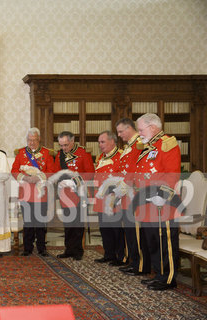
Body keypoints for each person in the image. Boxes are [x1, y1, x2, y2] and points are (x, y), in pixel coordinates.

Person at [133, 113, 181, 291]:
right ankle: (159, 274)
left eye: (141, 129)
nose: (139, 133)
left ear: (152, 127)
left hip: (162, 201)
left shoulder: (167, 144)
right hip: (147, 201)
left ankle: (168, 279)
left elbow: (172, 173)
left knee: (164, 240)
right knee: (153, 240)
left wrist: (163, 196)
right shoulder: (148, 146)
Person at [114, 118, 150, 276]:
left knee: (135, 232)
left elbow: (135, 170)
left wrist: (121, 188)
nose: (120, 135)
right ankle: (133, 261)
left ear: (129, 128)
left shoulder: (138, 145)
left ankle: (140, 265)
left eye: (121, 131)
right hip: (126, 195)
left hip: (134, 194)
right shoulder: (129, 146)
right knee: (129, 231)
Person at [11, 128, 55, 256]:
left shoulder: (46, 153)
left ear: (39, 139)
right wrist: (24, 177)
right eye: (29, 140)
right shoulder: (21, 153)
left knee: (41, 222)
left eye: (34, 140)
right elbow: (14, 170)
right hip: (26, 192)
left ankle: (42, 248)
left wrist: (38, 177)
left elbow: (52, 171)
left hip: (41, 193)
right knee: (28, 222)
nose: (31, 143)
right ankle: (27, 248)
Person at [53, 131, 95, 260]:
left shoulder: (83, 153)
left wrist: (74, 181)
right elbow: (55, 172)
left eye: (66, 145)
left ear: (72, 141)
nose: (63, 148)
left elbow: (90, 173)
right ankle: (69, 249)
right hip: (65, 194)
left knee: (78, 223)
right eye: (61, 145)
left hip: (79, 193)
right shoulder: (60, 155)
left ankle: (78, 251)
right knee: (67, 222)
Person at [92, 131, 124, 265]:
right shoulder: (100, 158)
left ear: (112, 141)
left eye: (102, 142)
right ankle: (109, 254)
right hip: (101, 199)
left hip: (114, 199)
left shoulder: (121, 156)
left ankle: (120, 256)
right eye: (99, 142)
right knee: (105, 229)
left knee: (116, 229)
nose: (100, 145)